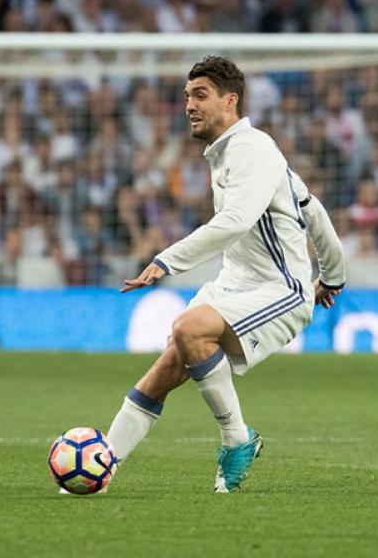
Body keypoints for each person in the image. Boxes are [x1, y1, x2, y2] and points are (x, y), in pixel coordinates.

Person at [105, 56, 346, 493]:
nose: (189, 106)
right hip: (235, 283)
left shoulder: (253, 148)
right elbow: (312, 208)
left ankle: (238, 439)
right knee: (167, 364)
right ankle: (102, 463)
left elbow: (236, 221)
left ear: (230, 100)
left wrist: (167, 260)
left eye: (200, 95)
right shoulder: (231, 153)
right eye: (186, 97)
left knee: (189, 328)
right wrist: (334, 276)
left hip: (280, 290)